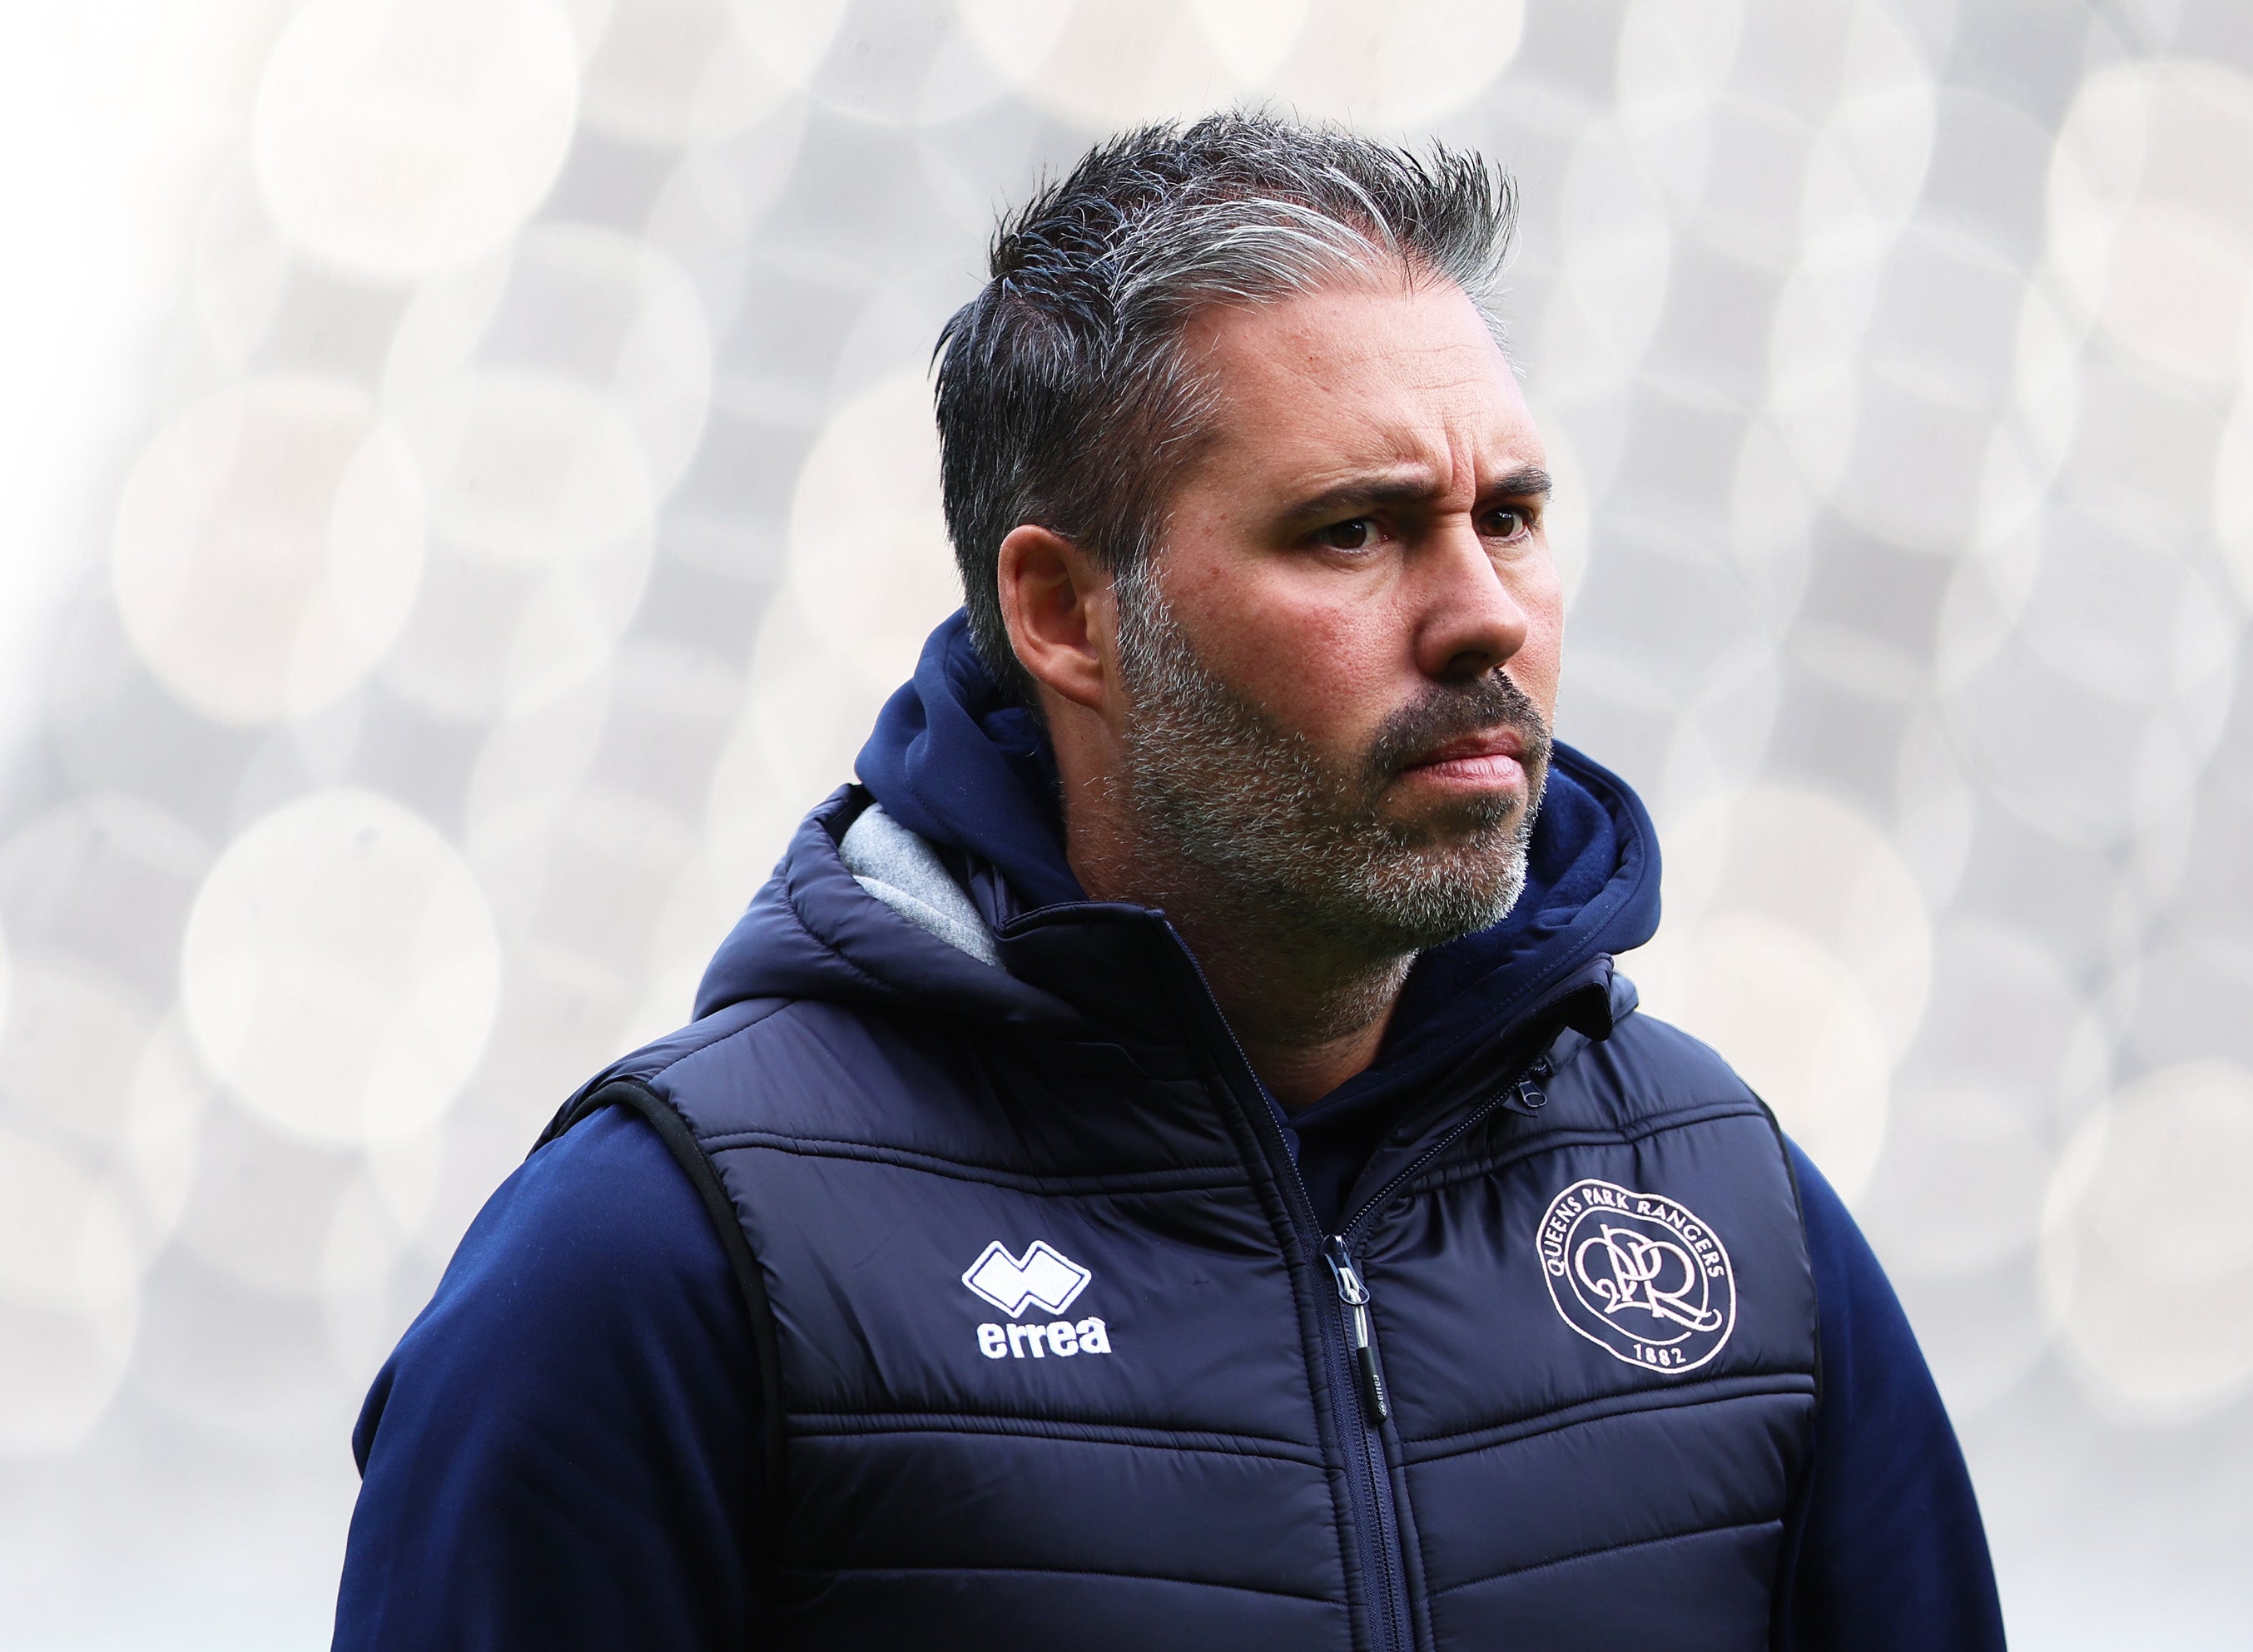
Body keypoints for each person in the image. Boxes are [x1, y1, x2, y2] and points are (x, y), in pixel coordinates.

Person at [332, 113, 2004, 1650]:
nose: (1485, 614)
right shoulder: (665, 1255)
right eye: (1354, 530)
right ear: (1067, 614)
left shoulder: (1735, 1216)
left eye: (1509, 517)